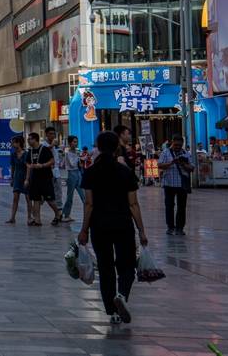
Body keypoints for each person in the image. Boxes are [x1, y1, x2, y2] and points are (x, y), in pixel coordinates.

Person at [78, 130, 149, 326]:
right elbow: (133, 204)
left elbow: (89, 204)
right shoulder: (125, 172)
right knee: (127, 267)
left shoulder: (91, 172)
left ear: (98, 147)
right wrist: (141, 230)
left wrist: (83, 230)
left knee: (106, 267)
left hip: (99, 226)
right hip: (123, 224)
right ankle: (122, 295)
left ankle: (112, 310)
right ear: (116, 147)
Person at [23, 131, 62, 226]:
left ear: (35, 139)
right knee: (36, 199)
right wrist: (27, 179)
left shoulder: (44, 149)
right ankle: (37, 220)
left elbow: (52, 161)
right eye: (28, 139)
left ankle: (58, 214)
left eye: (30, 139)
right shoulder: (30, 151)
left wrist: (42, 165)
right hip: (34, 179)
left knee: (50, 200)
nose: (28, 140)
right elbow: (28, 165)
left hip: (46, 178)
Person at [157, 134, 194, 235]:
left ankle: (180, 228)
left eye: (179, 145)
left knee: (182, 207)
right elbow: (159, 165)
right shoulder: (165, 153)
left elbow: (192, 168)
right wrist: (171, 162)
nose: (177, 147)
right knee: (169, 206)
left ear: (182, 144)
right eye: (175, 145)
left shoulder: (186, 153)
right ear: (172, 143)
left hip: (182, 185)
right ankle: (170, 227)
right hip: (168, 184)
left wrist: (183, 164)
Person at [5, 135, 29, 225]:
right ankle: (12, 218)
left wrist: (27, 179)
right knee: (15, 198)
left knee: (28, 198)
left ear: (18, 143)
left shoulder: (26, 154)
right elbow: (12, 167)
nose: (12, 145)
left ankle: (29, 217)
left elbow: (28, 167)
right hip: (17, 178)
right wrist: (12, 178)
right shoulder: (13, 155)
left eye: (13, 143)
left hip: (25, 177)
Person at [61, 135, 85, 223]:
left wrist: (82, 159)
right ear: (70, 143)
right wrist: (78, 157)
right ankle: (65, 215)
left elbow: (79, 164)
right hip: (71, 174)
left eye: (76, 141)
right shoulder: (68, 153)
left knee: (83, 195)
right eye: (74, 142)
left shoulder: (77, 151)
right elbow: (71, 164)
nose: (76, 143)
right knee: (69, 196)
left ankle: (88, 214)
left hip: (78, 173)